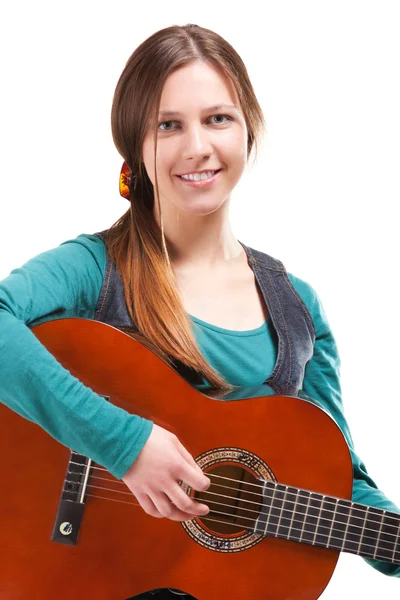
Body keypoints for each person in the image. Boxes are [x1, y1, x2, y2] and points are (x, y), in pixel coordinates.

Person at [0, 23, 399, 600]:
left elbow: (341, 478)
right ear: (135, 146)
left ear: (249, 129)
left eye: (218, 118)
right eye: (168, 125)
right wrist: (124, 445)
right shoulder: (96, 268)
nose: (197, 146)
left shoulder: (297, 307)